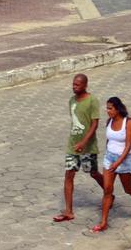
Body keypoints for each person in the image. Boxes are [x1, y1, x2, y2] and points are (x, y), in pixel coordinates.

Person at [54, 73, 104, 224]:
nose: (74, 87)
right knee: (69, 174)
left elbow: (94, 124)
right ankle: (69, 211)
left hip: (88, 146)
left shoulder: (92, 101)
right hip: (72, 146)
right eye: (73, 84)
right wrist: (76, 142)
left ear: (85, 85)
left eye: (77, 85)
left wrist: (83, 142)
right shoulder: (71, 101)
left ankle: (109, 192)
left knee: (93, 173)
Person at [92, 96, 131, 233]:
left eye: (110, 108)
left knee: (128, 188)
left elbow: (128, 146)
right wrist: (108, 156)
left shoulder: (128, 122)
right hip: (109, 159)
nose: (107, 111)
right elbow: (108, 140)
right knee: (107, 190)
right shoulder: (109, 121)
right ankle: (103, 222)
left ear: (117, 109)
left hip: (124, 160)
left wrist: (118, 162)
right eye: (107, 108)